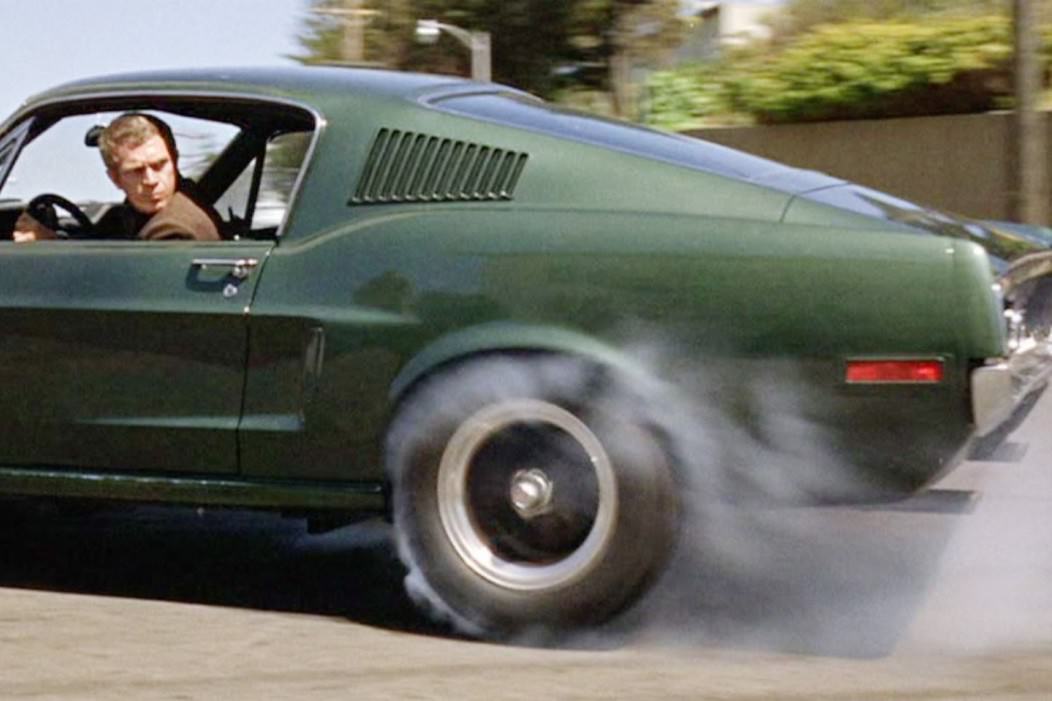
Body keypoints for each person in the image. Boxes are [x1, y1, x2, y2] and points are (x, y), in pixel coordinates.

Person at [13, 112, 221, 242]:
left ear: (174, 161)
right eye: (136, 171)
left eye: (160, 165)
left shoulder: (172, 230)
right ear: (115, 178)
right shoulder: (138, 213)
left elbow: (121, 283)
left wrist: (51, 245)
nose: (151, 180)